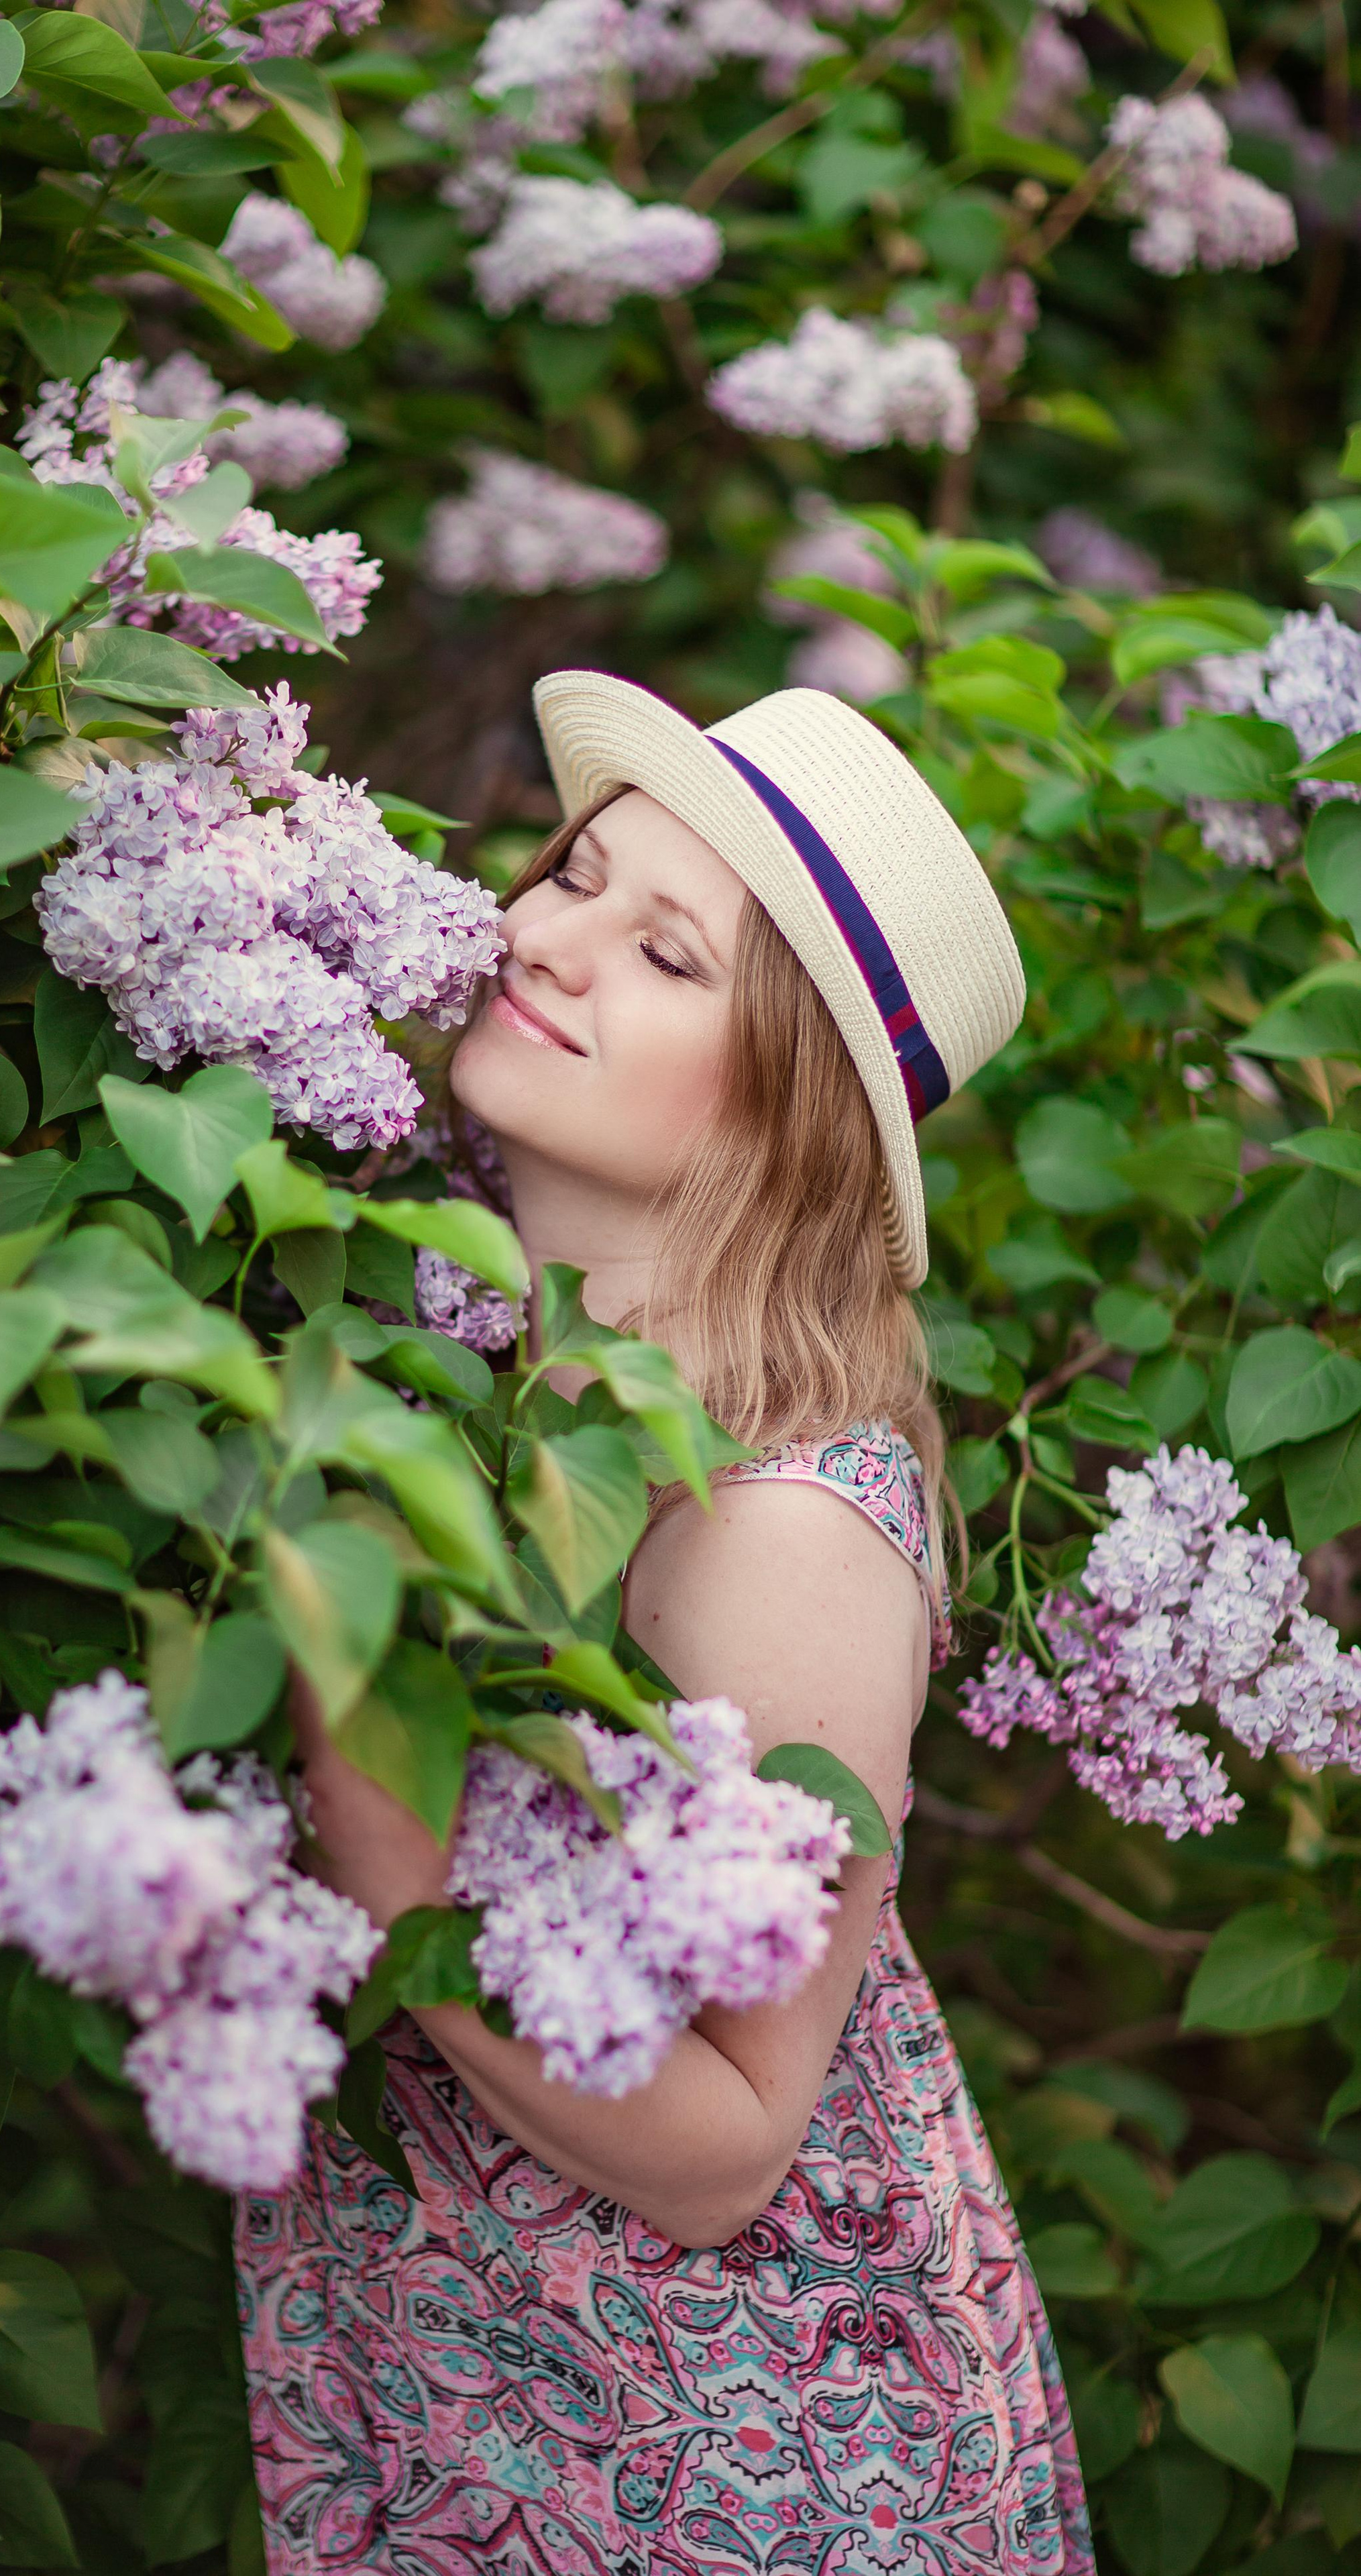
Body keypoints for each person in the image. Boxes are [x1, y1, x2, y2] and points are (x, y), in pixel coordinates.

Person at [235, 673, 1095, 2575]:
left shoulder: (767, 1527)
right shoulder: (483, 1376)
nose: (548, 941)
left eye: (666, 951)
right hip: (503, 2390)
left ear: (783, 1113)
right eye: (575, 876)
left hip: (719, 2460)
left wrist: (402, 1889)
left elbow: (731, 2146)